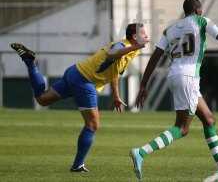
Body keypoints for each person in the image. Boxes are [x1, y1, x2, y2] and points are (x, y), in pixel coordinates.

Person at [130, 0, 218, 181]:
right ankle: (141, 152)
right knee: (182, 128)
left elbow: (155, 57)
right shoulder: (201, 21)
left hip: (175, 76)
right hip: (188, 78)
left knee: (208, 119)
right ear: (199, 9)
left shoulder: (169, 29)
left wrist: (143, 84)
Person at [11, 23, 149, 172]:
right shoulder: (124, 45)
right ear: (135, 37)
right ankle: (77, 166)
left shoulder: (130, 49)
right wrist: (135, 47)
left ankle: (30, 63)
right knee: (92, 124)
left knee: (42, 99)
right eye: (144, 34)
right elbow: (112, 54)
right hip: (84, 81)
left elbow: (114, 69)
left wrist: (116, 95)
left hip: (75, 72)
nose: (147, 36)